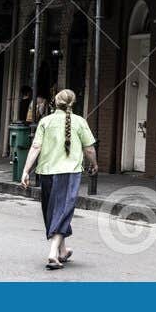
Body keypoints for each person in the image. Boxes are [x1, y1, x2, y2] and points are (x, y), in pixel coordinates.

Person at [19, 89, 96, 271]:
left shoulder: (45, 121)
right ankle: (53, 253)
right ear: (73, 103)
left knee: (53, 210)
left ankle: (62, 251)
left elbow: (35, 147)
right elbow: (90, 149)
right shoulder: (79, 122)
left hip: (46, 172)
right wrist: (95, 164)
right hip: (69, 172)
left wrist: (25, 170)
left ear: (55, 102)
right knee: (63, 210)